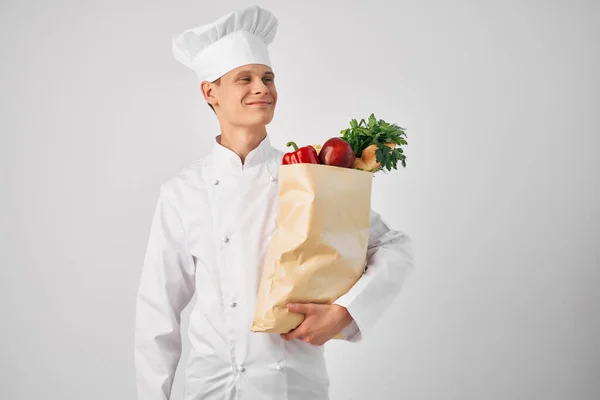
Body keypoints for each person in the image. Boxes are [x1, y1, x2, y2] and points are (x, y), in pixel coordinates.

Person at [134, 5, 415, 400]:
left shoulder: (307, 175)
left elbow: (394, 246)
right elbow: (157, 312)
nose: (262, 88)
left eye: (267, 78)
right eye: (244, 79)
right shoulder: (183, 192)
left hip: (293, 386)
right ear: (209, 92)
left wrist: (344, 312)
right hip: (213, 387)